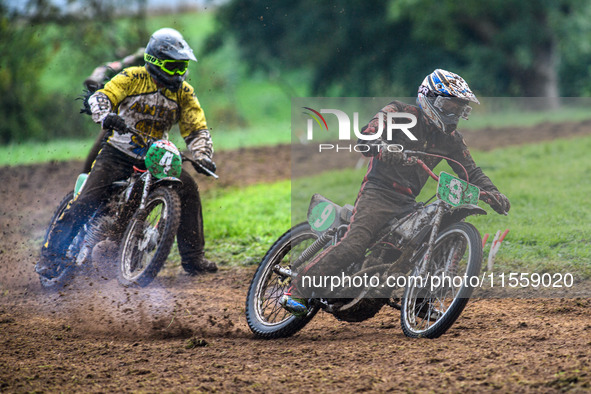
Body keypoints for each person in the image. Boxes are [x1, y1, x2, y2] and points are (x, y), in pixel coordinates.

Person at [281, 69, 511, 316]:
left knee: (428, 237)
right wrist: (382, 146)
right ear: (428, 98)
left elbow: (471, 172)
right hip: (377, 193)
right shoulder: (399, 113)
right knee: (355, 244)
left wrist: (494, 194)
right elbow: (365, 137)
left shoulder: (452, 139)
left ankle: (421, 299)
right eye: (448, 105)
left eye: (458, 109)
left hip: (408, 202)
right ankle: (298, 289)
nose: (453, 113)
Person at [37, 27, 218, 278]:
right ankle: (51, 256)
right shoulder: (132, 77)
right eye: (173, 67)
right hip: (117, 152)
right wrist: (105, 115)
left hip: (155, 156)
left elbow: (197, 128)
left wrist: (202, 155)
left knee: (187, 187)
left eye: (182, 67)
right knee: (88, 200)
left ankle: (193, 258)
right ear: (155, 62)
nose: (179, 73)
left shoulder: (184, 92)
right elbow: (103, 95)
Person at [80, 47, 145, 173]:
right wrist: (97, 81)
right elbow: (109, 68)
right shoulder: (138, 58)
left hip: (155, 120)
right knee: (102, 147)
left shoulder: (179, 73)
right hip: (123, 113)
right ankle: (86, 180)